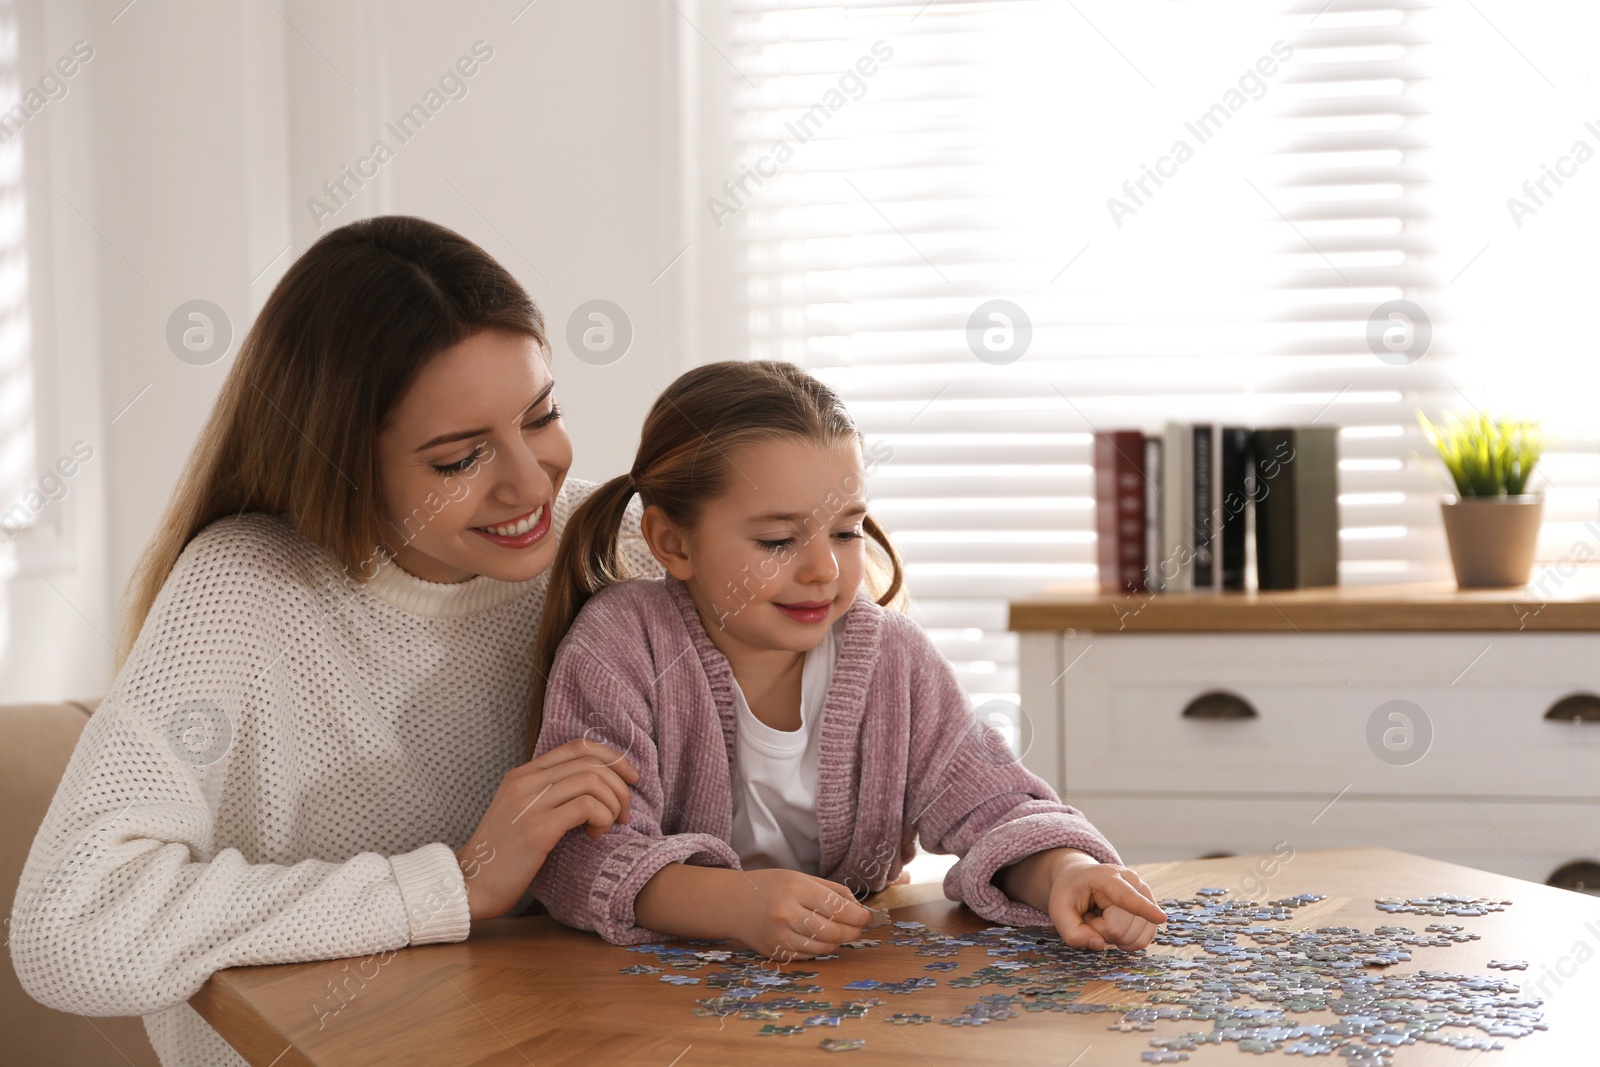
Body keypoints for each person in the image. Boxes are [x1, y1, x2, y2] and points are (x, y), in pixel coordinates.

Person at [9, 216, 650, 1067]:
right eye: (459, 459)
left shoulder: (613, 544)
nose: (530, 481)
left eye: (542, 416)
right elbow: (71, 932)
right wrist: (451, 883)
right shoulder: (241, 587)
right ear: (342, 460)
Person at [529, 360, 1167, 960]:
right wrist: (731, 905)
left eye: (846, 530)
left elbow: (994, 807)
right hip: (650, 1007)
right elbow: (576, 854)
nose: (823, 570)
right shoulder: (619, 645)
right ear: (672, 543)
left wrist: (1065, 871)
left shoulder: (892, 655)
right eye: (777, 540)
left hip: (841, 987)